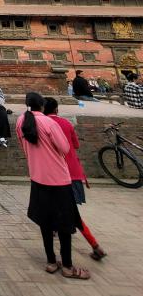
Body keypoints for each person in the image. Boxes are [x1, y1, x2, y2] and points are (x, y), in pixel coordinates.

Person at [16, 92, 90, 279]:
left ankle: (50, 261)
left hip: (37, 177)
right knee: (65, 225)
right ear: (42, 106)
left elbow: (22, 144)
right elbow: (65, 149)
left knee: (45, 222)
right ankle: (67, 266)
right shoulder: (50, 124)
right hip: (58, 180)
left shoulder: (21, 121)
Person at [43, 97, 106, 261]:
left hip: (57, 176)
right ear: (57, 109)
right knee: (66, 211)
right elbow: (75, 145)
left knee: (70, 215)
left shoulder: (43, 125)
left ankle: (94, 246)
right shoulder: (66, 123)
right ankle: (93, 245)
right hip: (75, 174)